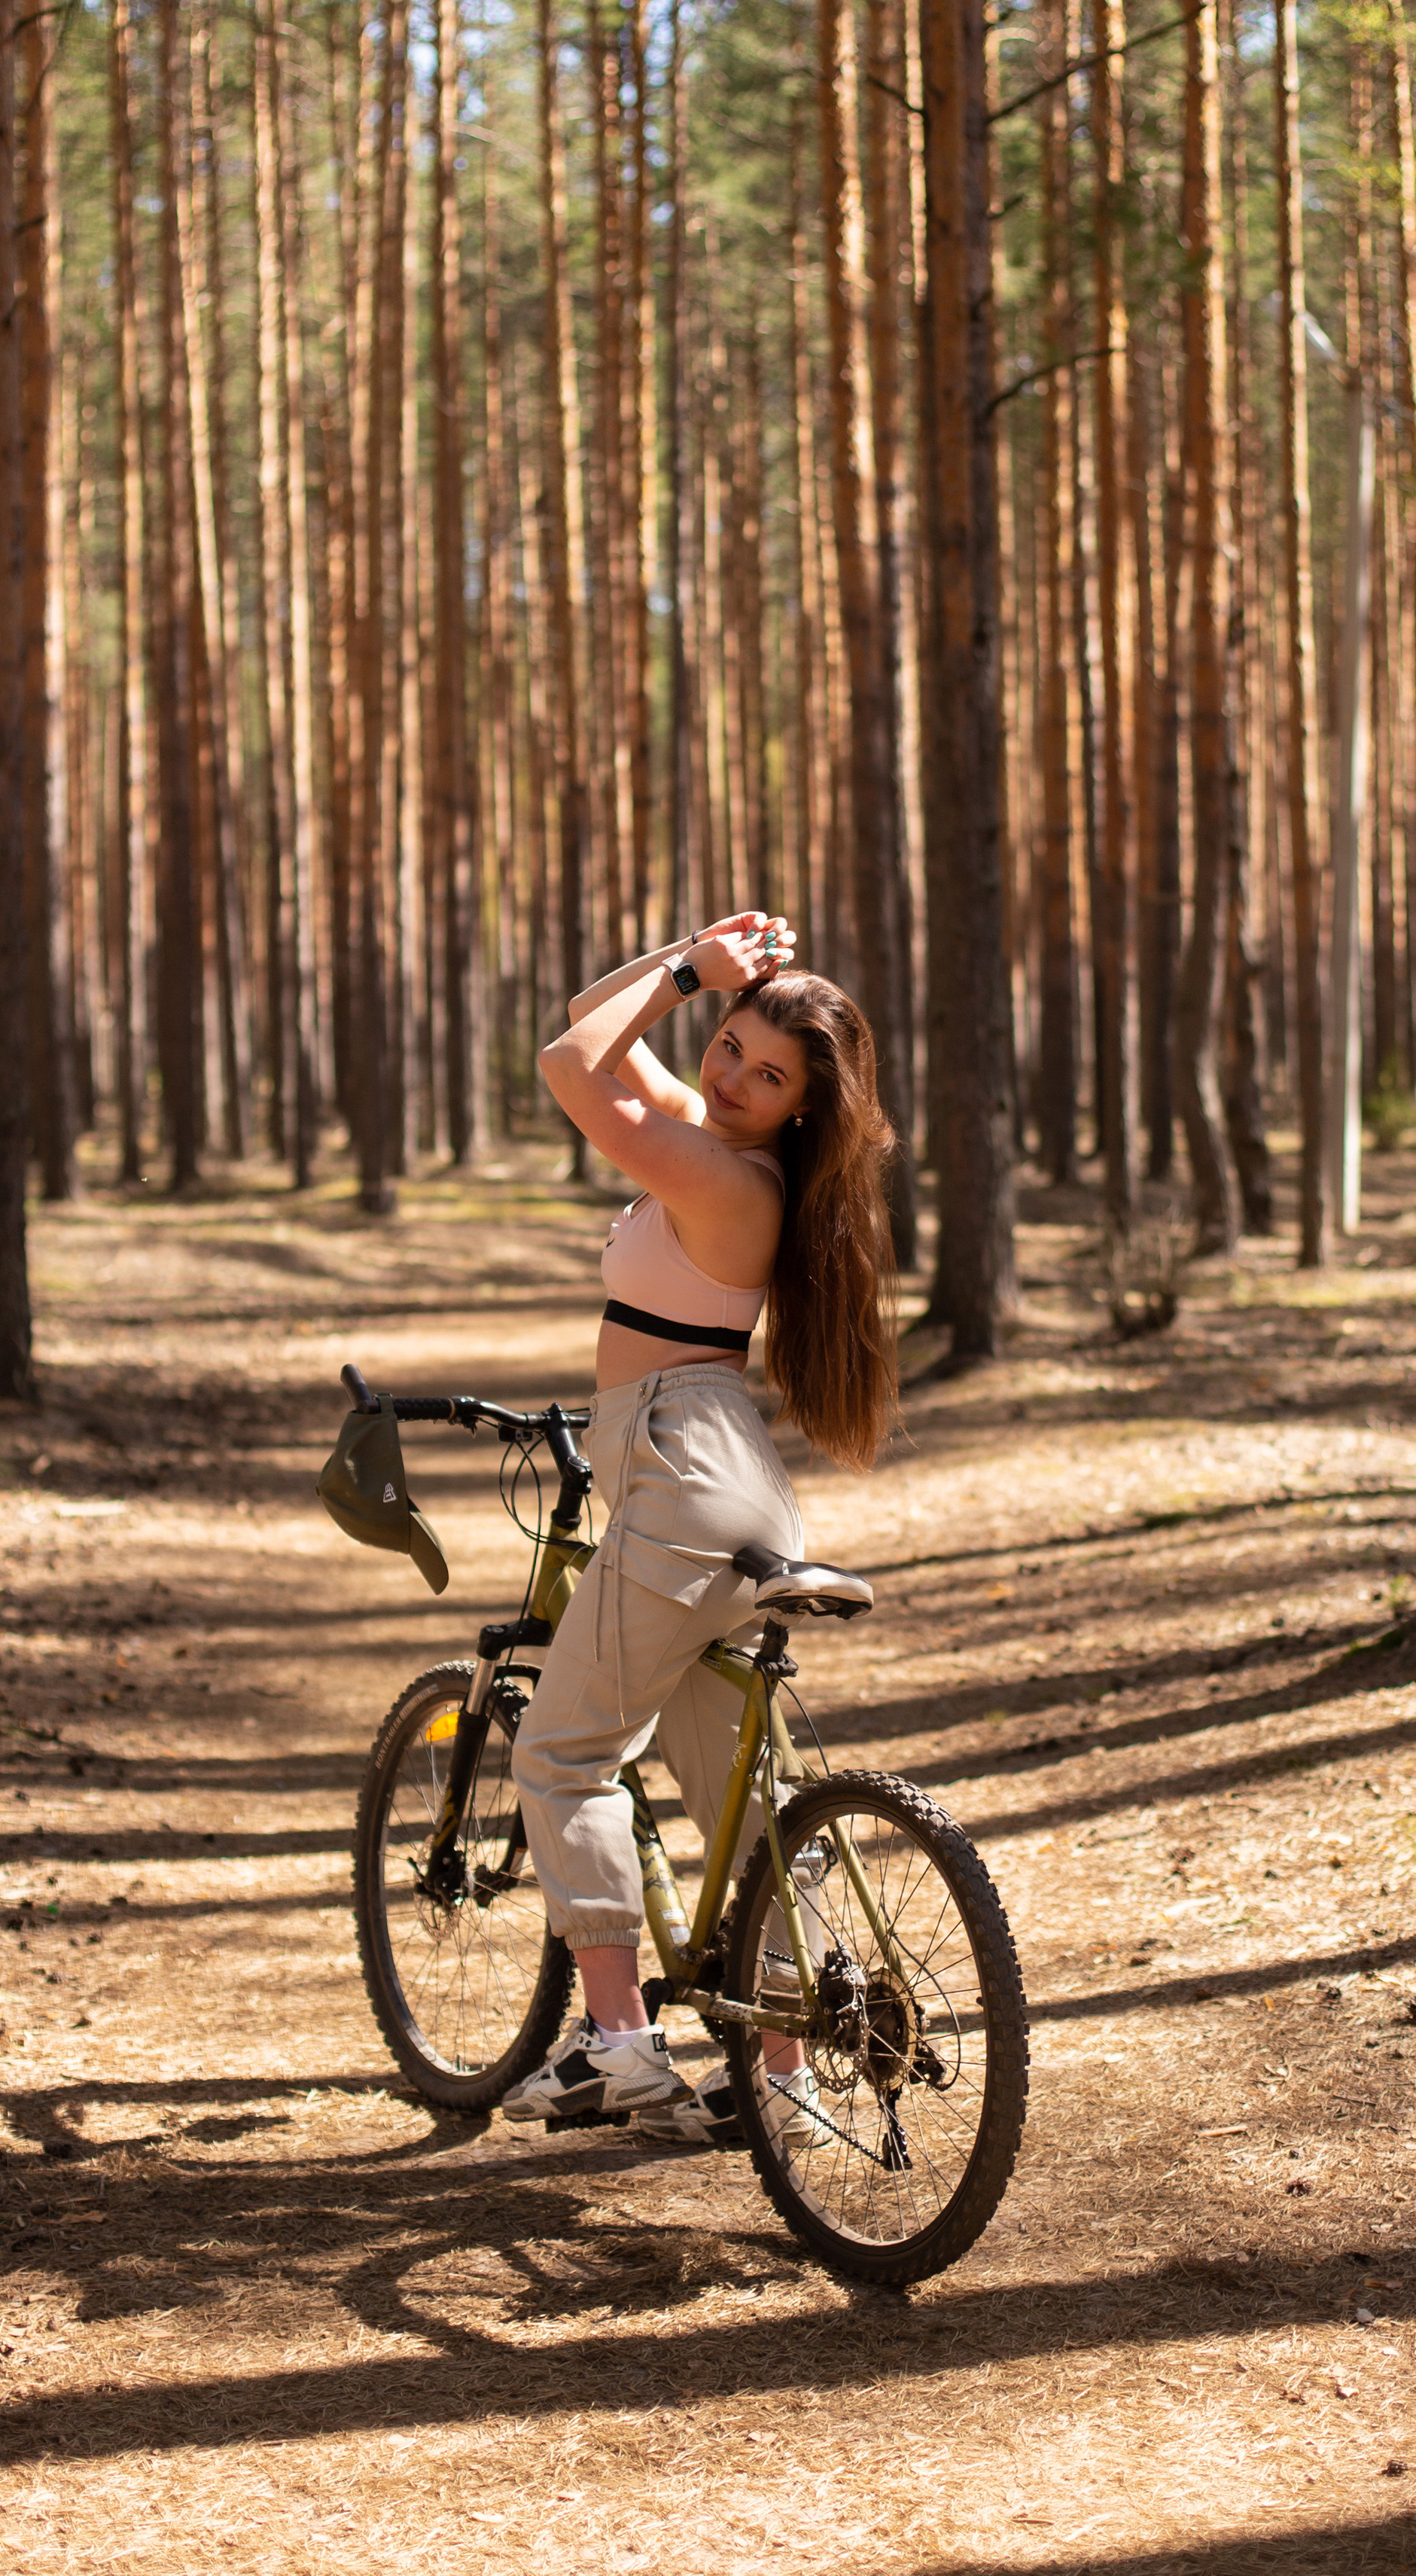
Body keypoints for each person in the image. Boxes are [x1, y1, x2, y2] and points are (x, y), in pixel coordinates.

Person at [504, 909, 899, 2144]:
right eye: (727, 1046)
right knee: (746, 1794)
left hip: (679, 1469)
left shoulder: (720, 1171)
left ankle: (618, 2043)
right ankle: (778, 2073)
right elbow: (587, 1027)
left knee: (565, 1754)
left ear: (799, 1108)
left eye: (764, 1073)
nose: (730, 1076)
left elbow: (566, 1070)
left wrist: (685, 976)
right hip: (720, 1477)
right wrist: (695, 956)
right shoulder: (731, 1144)